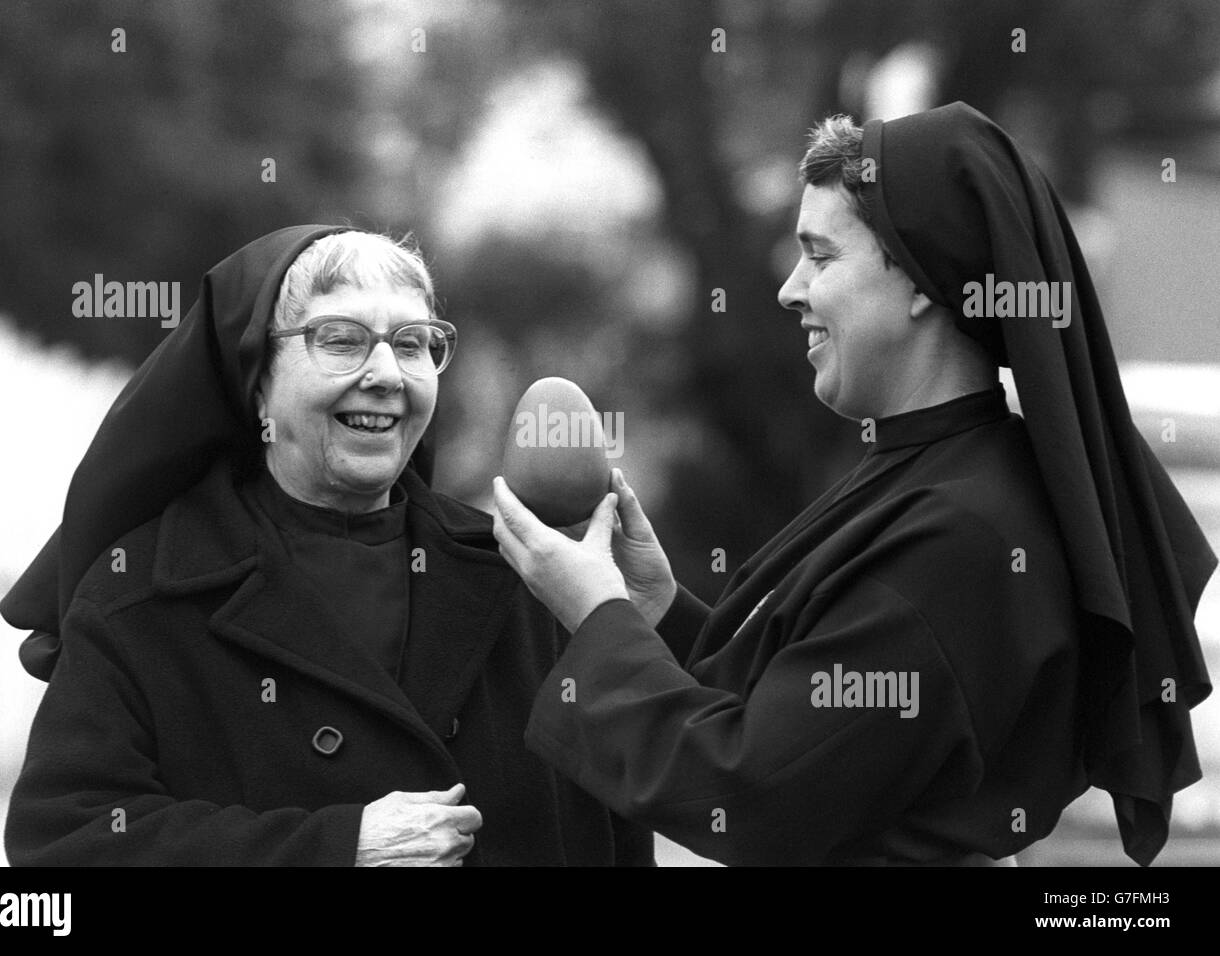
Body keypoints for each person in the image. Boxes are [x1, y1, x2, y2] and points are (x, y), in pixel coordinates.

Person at [491, 102, 1215, 866]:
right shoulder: (940, 470)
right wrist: (656, 611)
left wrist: (597, 613)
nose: (789, 288)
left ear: (921, 281)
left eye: (822, 256)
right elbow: (815, 717)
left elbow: (756, 790)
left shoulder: (964, 535)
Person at [2, 225, 653, 866]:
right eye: (341, 340)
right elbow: (66, 842)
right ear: (256, 384)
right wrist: (337, 851)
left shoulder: (531, 579)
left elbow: (627, 828)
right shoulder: (138, 601)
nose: (386, 374)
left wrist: (635, 617)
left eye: (414, 344)